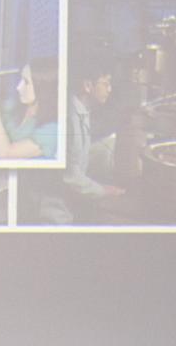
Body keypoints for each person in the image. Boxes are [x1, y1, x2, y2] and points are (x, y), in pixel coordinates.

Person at [41, 54, 124, 223]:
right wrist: (104, 190)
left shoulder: (82, 111)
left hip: (67, 209)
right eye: (105, 83)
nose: (110, 89)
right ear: (87, 85)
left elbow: (78, 157)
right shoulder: (69, 117)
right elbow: (70, 176)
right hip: (53, 215)